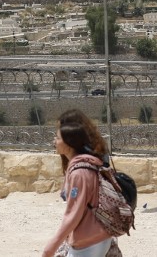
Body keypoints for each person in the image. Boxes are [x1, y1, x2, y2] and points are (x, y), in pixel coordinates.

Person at [42, 109, 120, 257]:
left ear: (70, 140)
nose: (53, 140)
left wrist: (51, 246)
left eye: (58, 135)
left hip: (89, 239)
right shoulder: (89, 162)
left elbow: (75, 213)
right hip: (97, 233)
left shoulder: (81, 172)